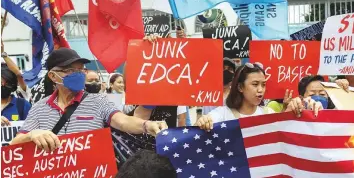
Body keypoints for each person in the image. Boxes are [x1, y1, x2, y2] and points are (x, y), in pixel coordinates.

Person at [11, 48, 167, 152]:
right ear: (52, 76)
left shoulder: (98, 101)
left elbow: (123, 121)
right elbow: (14, 144)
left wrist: (147, 125)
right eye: (70, 70)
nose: (78, 74)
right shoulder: (39, 108)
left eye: (80, 70)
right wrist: (31, 135)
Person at [196, 63, 323, 131]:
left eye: (263, 84)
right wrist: (202, 122)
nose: (260, 90)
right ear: (240, 87)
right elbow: (197, 128)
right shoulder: (222, 114)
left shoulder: (268, 113)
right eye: (255, 84)